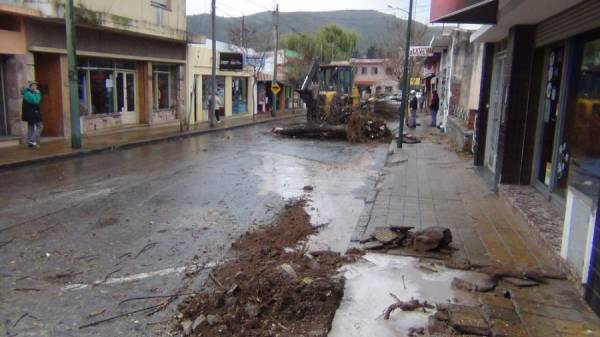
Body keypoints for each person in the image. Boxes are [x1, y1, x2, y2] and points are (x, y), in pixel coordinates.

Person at [21, 81, 43, 148]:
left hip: (31, 113)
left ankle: (30, 144)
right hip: (32, 113)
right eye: (34, 85)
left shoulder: (29, 93)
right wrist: (38, 94)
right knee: (40, 126)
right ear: (31, 86)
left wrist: (36, 94)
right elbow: (36, 101)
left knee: (31, 127)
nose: (36, 87)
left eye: (36, 85)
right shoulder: (27, 93)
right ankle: (32, 140)